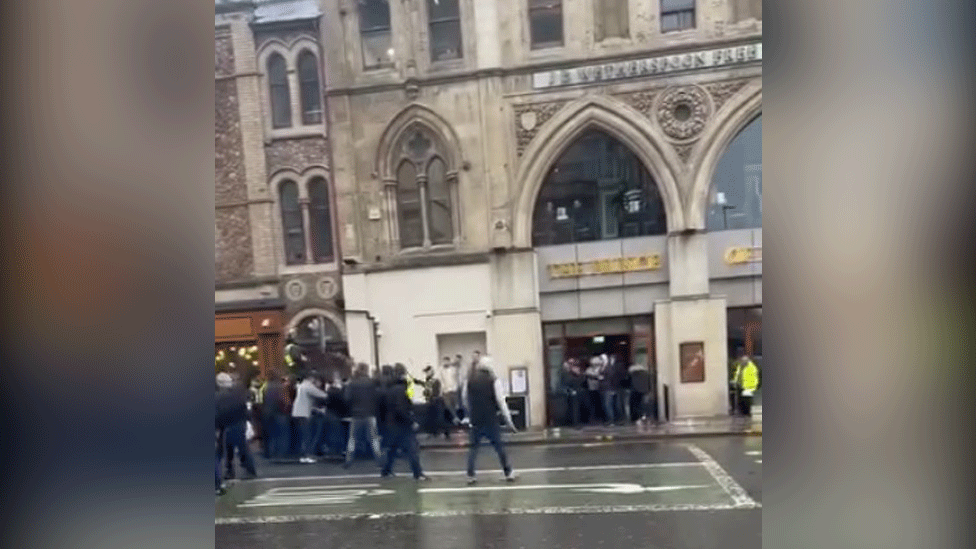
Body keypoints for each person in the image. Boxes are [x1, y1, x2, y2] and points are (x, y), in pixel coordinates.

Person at [463, 355, 517, 484]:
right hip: (490, 419)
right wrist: (509, 421)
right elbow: (500, 401)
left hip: (475, 419)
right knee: (499, 447)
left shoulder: (469, 380)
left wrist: (471, 411)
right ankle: (508, 472)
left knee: (473, 448)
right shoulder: (493, 380)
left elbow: (464, 399)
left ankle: (471, 475)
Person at [380, 365, 429, 480]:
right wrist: (412, 421)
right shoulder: (402, 390)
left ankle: (386, 471)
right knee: (412, 449)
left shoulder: (390, 389)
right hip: (403, 424)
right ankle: (417, 473)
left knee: (392, 449)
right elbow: (401, 408)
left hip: (391, 423)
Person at [216, 372, 257, 480]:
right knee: (242, 448)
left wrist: (218, 425)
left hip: (227, 425)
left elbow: (219, 412)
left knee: (228, 451)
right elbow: (244, 408)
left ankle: (230, 471)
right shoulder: (238, 393)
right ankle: (249, 470)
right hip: (239, 423)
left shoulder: (220, 396)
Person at [344, 363, 382, 467]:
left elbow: (347, 398)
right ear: (366, 370)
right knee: (374, 438)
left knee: (352, 438)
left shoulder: (352, 383)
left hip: (356, 414)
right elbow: (377, 397)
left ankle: (348, 460)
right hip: (370, 413)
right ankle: (379, 459)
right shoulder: (372, 383)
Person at [291, 372, 329, 463]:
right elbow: (321, 394)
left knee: (303, 435)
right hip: (303, 413)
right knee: (307, 435)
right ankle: (307, 456)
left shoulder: (302, 385)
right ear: (311, 378)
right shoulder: (308, 386)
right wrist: (329, 390)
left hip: (298, 412)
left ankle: (303, 456)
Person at [262, 371, 291, 459]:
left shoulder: (266, 386)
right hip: (279, 413)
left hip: (267, 412)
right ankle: (280, 454)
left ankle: (269, 453)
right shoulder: (281, 387)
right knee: (281, 434)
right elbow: (285, 400)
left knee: (270, 434)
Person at [731, 347, 760, 417]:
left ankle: (746, 413)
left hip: (746, 385)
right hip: (743, 385)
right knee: (743, 401)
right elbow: (738, 374)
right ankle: (745, 413)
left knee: (745, 401)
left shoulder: (746, 365)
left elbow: (754, 375)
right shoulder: (743, 365)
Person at [423, 365, 450, 439]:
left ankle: (446, 433)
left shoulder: (435, 381)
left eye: (427, 372)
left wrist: (429, 394)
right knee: (431, 417)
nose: (426, 373)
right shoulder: (428, 380)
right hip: (431, 401)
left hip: (436, 401)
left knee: (440, 418)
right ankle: (433, 432)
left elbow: (435, 392)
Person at [441, 356, 461, 426]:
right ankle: (455, 418)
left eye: (447, 361)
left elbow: (456, 378)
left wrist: (456, 387)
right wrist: (443, 389)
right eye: (444, 361)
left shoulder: (453, 369)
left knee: (455, 405)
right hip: (446, 390)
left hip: (453, 389)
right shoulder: (441, 370)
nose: (446, 363)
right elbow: (442, 380)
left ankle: (456, 419)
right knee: (448, 405)